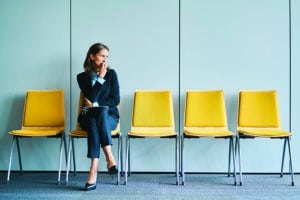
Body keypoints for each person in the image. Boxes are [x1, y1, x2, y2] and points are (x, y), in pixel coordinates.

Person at [77, 43, 120, 191]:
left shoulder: (112, 74)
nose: (105, 60)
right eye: (102, 56)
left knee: (99, 114)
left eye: (107, 57)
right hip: (87, 116)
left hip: (109, 118)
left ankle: (93, 168)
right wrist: (101, 78)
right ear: (92, 56)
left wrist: (95, 105)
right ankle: (109, 157)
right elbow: (91, 96)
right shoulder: (82, 77)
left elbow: (115, 100)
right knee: (95, 117)